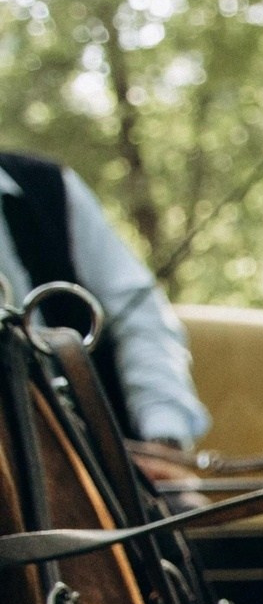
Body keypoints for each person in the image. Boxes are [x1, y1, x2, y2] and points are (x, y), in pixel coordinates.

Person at [0, 151, 207, 478]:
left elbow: (143, 320)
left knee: (182, 516)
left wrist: (163, 435)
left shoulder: (50, 188)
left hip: (103, 473)